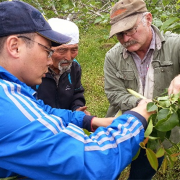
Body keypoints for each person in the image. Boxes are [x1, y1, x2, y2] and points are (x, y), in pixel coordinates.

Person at [0, 1, 153, 179]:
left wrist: (90, 121)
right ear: (14, 46)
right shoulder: (7, 103)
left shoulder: (11, 91)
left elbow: (43, 112)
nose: (49, 61)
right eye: (47, 51)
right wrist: (138, 116)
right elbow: (92, 162)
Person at [104, 0, 180, 179]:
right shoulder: (113, 56)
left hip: (157, 133)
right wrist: (142, 105)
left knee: (142, 173)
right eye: (119, 34)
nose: (125, 39)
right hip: (124, 126)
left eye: (130, 30)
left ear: (148, 18)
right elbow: (114, 93)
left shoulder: (175, 45)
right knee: (106, 171)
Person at [32, 18, 90, 115]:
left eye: (74, 50)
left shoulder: (74, 67)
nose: (68, 57)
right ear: (47, 49)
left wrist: (77, 109)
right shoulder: (32, 71)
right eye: (62, 50)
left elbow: (77, 93)